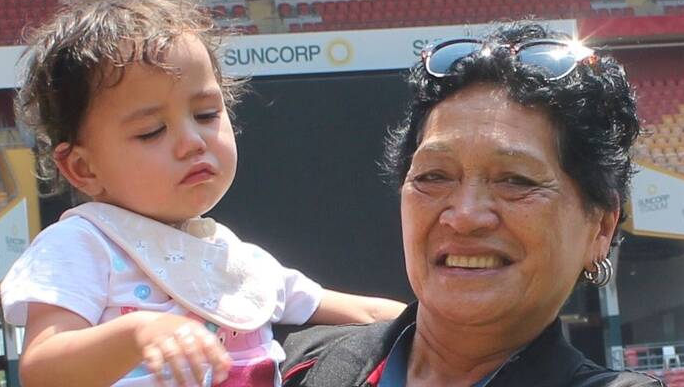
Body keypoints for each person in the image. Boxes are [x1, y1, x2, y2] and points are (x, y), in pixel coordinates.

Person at [0, 0, 405, 387]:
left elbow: (368, 316)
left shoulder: (236, 260)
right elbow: (42, 368)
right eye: (151, 131)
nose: (192, 142)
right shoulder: (82, 245)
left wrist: (453, 323)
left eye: (207, 114)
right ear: (84, 168)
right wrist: (138, 335)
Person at [280, 22, 659, 387]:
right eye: (434, 176)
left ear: (600, 229)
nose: (465, 216)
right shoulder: (296, 366)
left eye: (516, 181)